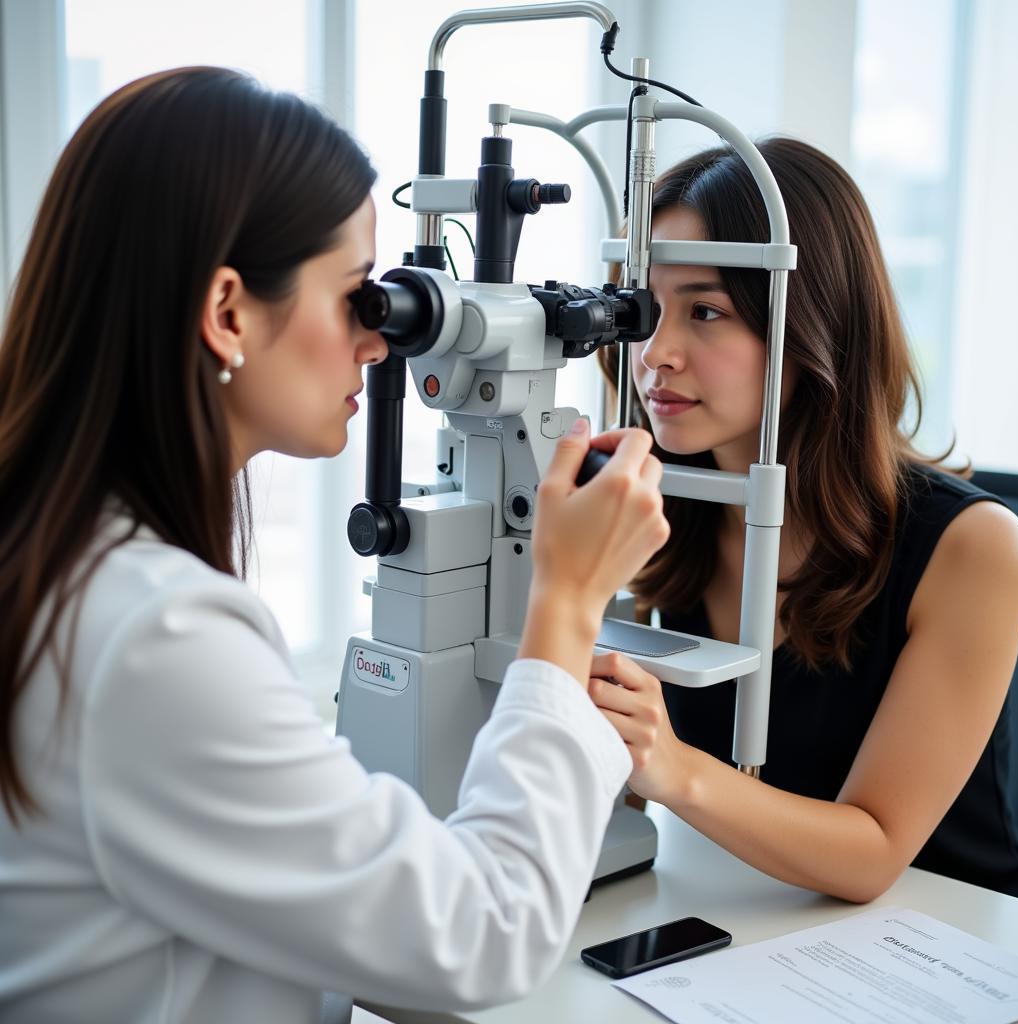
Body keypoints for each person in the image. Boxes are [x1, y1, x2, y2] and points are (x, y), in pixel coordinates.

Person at [0, 68, 671, 1023]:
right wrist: (566, 599)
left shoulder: (65, 564)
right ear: (229, 311)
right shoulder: (155, 637)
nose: (378, 342)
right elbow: (483, 937)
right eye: (358, 296)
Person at [593, 136, 1018, 903]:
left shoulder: (976, 549)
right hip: (753, 920)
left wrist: (670, 765)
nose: (656, 353)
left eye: (706, 311)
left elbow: (875, 849)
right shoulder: (673, 510)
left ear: (812, 323)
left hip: (948, 945)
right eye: (648, 310)